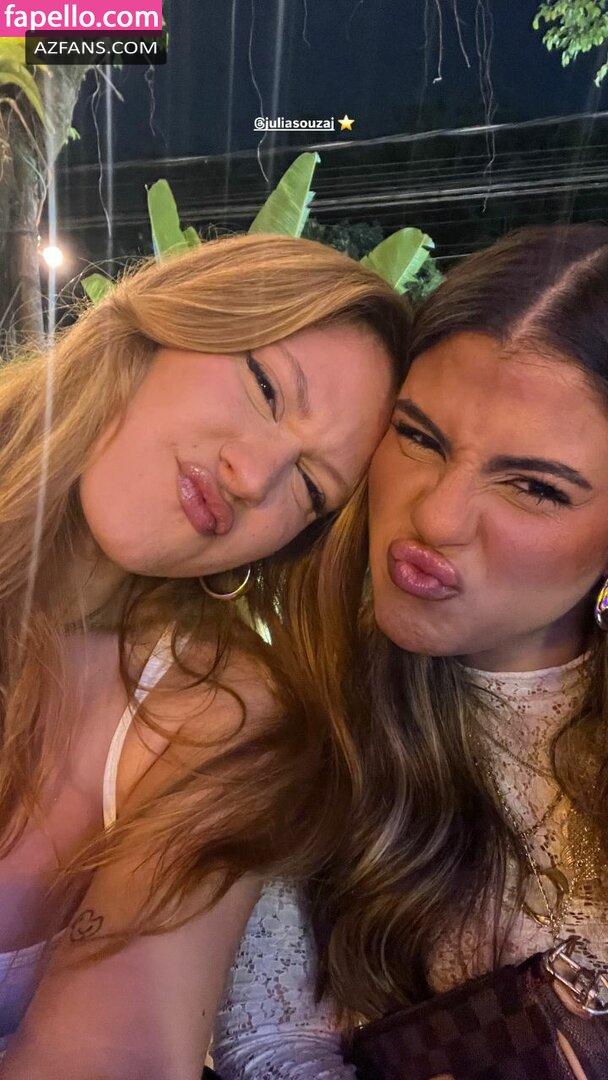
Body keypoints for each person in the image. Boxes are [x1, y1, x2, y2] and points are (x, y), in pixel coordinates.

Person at [0, 232, 410, 1078]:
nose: (252, 476)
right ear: (166, 322)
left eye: (311, 488)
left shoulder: (219, 714)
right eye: (266, 387)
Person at [213, 225, 608, 1080]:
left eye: (534, 486)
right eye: (419, 438)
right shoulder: (292, 720)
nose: (436, 516)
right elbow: (272, 1047)